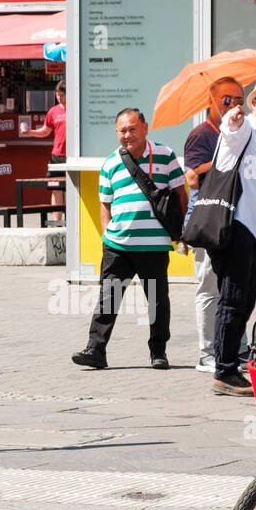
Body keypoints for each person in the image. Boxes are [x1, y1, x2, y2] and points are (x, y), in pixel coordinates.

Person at [72, 108, 185, 371]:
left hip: (154, 246)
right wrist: (106, 236)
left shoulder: (165, 155)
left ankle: (159, 352)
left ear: (145, 128)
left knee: (158, 301)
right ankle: (95, 350)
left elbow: (180, 195)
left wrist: (181, 232)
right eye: (122, 130)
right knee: (108, 298)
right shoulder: (111, 162)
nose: (127, 135)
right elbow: (105, 205)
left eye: (132, 129)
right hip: (118, 246)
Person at [207, 77, 256, 396]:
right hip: (236, 228)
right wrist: (232, 120)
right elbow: (228, 136)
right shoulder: (244, 130)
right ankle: (223, 370)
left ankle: (230, 364)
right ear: (254, 103)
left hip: (254, 231)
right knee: (231, 301)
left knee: (246, 302)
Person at [183, 76, 250, 373]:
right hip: (210, 221)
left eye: (239, 99)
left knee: (236, 290)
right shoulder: (202, 134)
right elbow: (194, 177)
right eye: (227, 100)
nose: (234, 105)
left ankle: (239, 348)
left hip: (238, 219)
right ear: (211, 102)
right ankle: (207, 353)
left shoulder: (244, 131)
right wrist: (228, 154)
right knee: (209, 290)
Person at [26, 80, 67, 168]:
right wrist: (30, 132)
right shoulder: (53, 111)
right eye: (57, 94)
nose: (59, 97)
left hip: (73, 156)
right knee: (51, 181)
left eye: (62, 95)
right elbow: (45, 131)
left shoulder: (77, 111)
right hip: (57, 155)